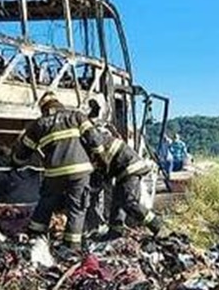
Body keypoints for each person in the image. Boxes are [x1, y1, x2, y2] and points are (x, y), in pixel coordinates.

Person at [11, 91, 101, 255]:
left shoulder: (38, 125)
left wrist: (15, 163)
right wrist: (100, 159)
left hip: (54, 173)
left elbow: (23, 152)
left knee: (46, 204)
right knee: (76, 208)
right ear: (58, 103)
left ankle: (35, 238)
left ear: (43, 108)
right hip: (79, 172)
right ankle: (72, 247)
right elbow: (94, 139)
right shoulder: (76, 116)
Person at [91, 125, 164, 238]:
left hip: (130, 168)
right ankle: (115, 232)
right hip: (124, 171)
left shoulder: (95, 143)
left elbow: (102, 166)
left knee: (129, 202)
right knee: (117, 203)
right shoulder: (98, 139)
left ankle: (156, 224)